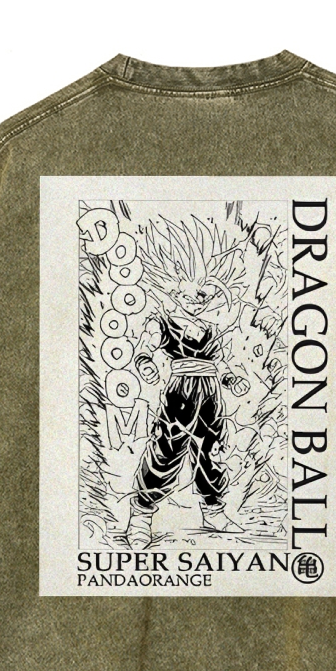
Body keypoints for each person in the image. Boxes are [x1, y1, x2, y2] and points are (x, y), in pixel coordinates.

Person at [124, 215, 251, 549]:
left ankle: (214, 511)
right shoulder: (162, 321)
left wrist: (232, 379)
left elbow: (221, 362)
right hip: (180, 394)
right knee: (167, 449)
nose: (197, 299)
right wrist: (146, 365)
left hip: (210, 395)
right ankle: (141, 516)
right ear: (174, 289)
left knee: (212, 451)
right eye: (190, 292)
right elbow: (144, 350)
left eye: (203, 293)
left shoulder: (214, 328)